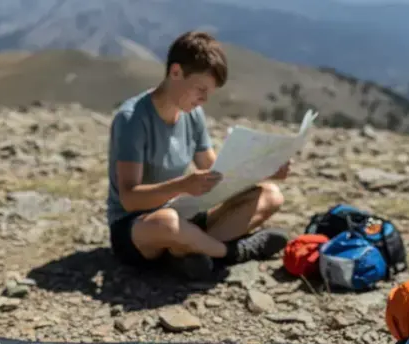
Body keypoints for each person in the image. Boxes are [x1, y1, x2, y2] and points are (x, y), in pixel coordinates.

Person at [107, 30, 290, 280]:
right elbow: (129, 199)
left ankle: (189, 253)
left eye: (209, 93)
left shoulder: (192, 115)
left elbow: (217, 174)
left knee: (271, 195)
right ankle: (232, 252)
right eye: (200, 89)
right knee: (168, 223)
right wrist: (182, 185)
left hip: (185, 214)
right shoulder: (132, 120)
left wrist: (264, 170)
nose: (203, 100)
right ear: (175, 73)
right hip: (139, 229)